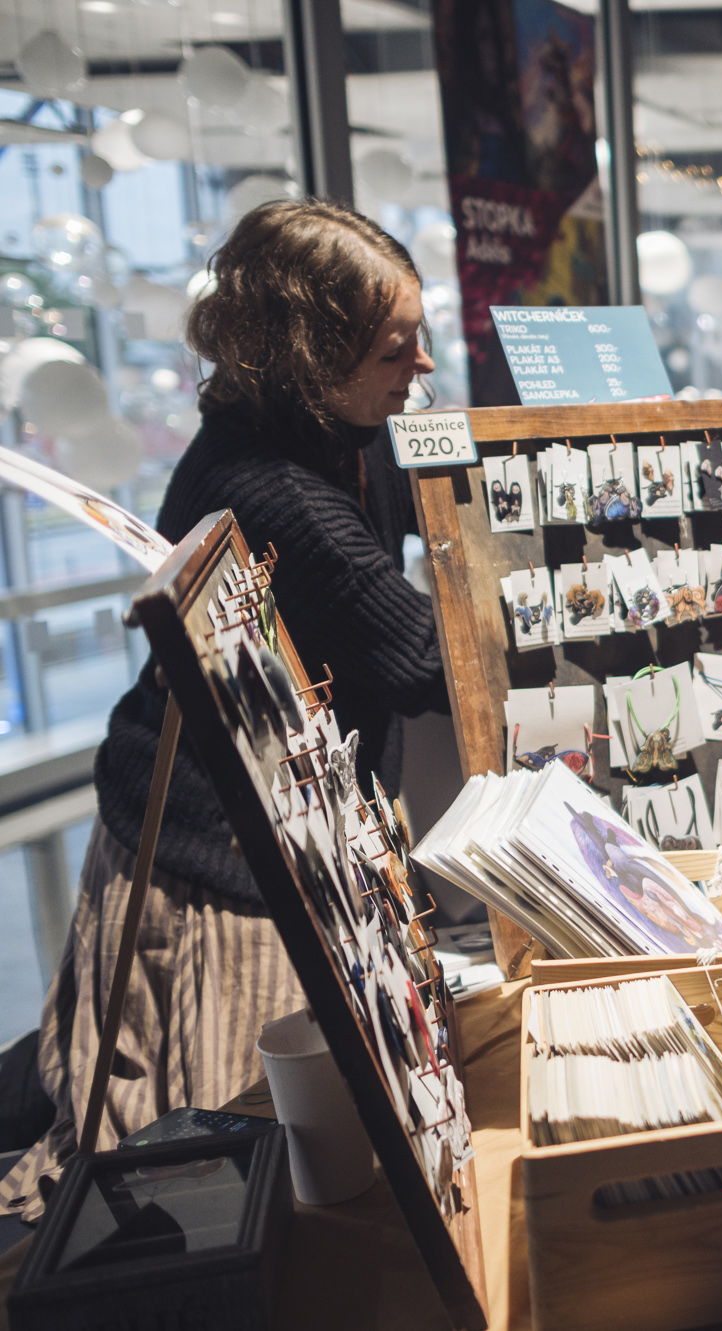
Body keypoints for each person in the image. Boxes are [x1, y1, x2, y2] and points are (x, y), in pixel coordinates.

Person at [0, 200, 448, 1220]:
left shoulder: (340, 433)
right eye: (394, 346)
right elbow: (421, 656)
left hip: (271, 823)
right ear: (310, 354)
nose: (421, 363)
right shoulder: (271, 487)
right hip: (221, 854)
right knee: (215, 1152)